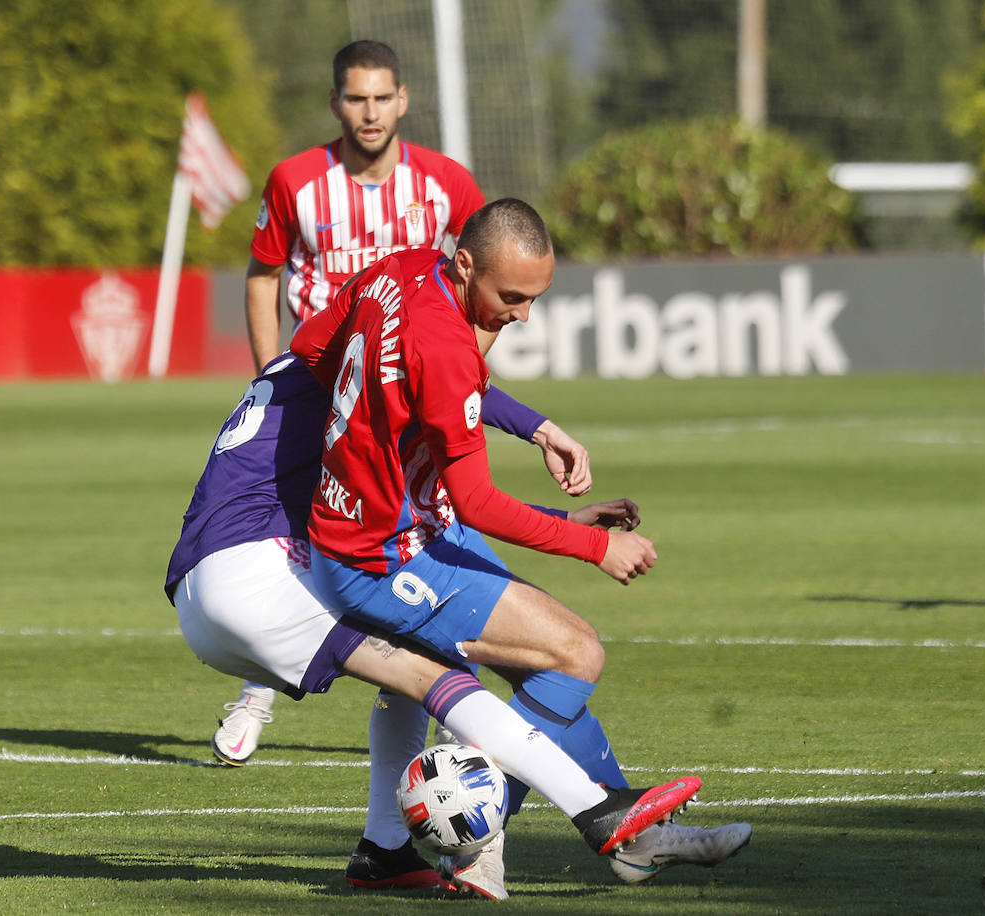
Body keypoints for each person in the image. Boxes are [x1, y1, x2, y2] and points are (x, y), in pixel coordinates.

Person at [289, 198, 751, 897]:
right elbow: (475, 495)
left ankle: (629, 839)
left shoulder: (403, 271)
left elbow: (314, 350)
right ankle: (473, 834)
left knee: (543, 667)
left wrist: (533, 427)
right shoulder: (446, 343)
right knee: (576, 652)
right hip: (381, 558)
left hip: (398, 527)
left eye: (536, 297)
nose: (523, 314)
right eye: (511, 297)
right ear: (467, 262)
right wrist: (593, 547)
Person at [165, 354, 745, 895]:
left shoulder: (312, 364)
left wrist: (559, 507)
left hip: (205, 580)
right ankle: (594, 814)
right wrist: (570, 506)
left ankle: (386, 849)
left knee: (419, 663)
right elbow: (451, 436)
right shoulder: (369, 366)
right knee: (444, 675)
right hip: (257, 572)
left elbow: (424, 495)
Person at [213, 38, 487, 764]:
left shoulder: (447, 186)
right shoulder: (297, 181)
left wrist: (468, 371)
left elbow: (484, 280)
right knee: (290, 532)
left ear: (403, 100)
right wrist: (269, 372)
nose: (369, 113)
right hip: (318, 394)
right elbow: (262, 274)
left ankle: (444, 697)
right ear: (336, 103)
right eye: (355, 99)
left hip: (406, 403)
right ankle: (259, 690)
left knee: (424, 531)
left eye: (381, 98)